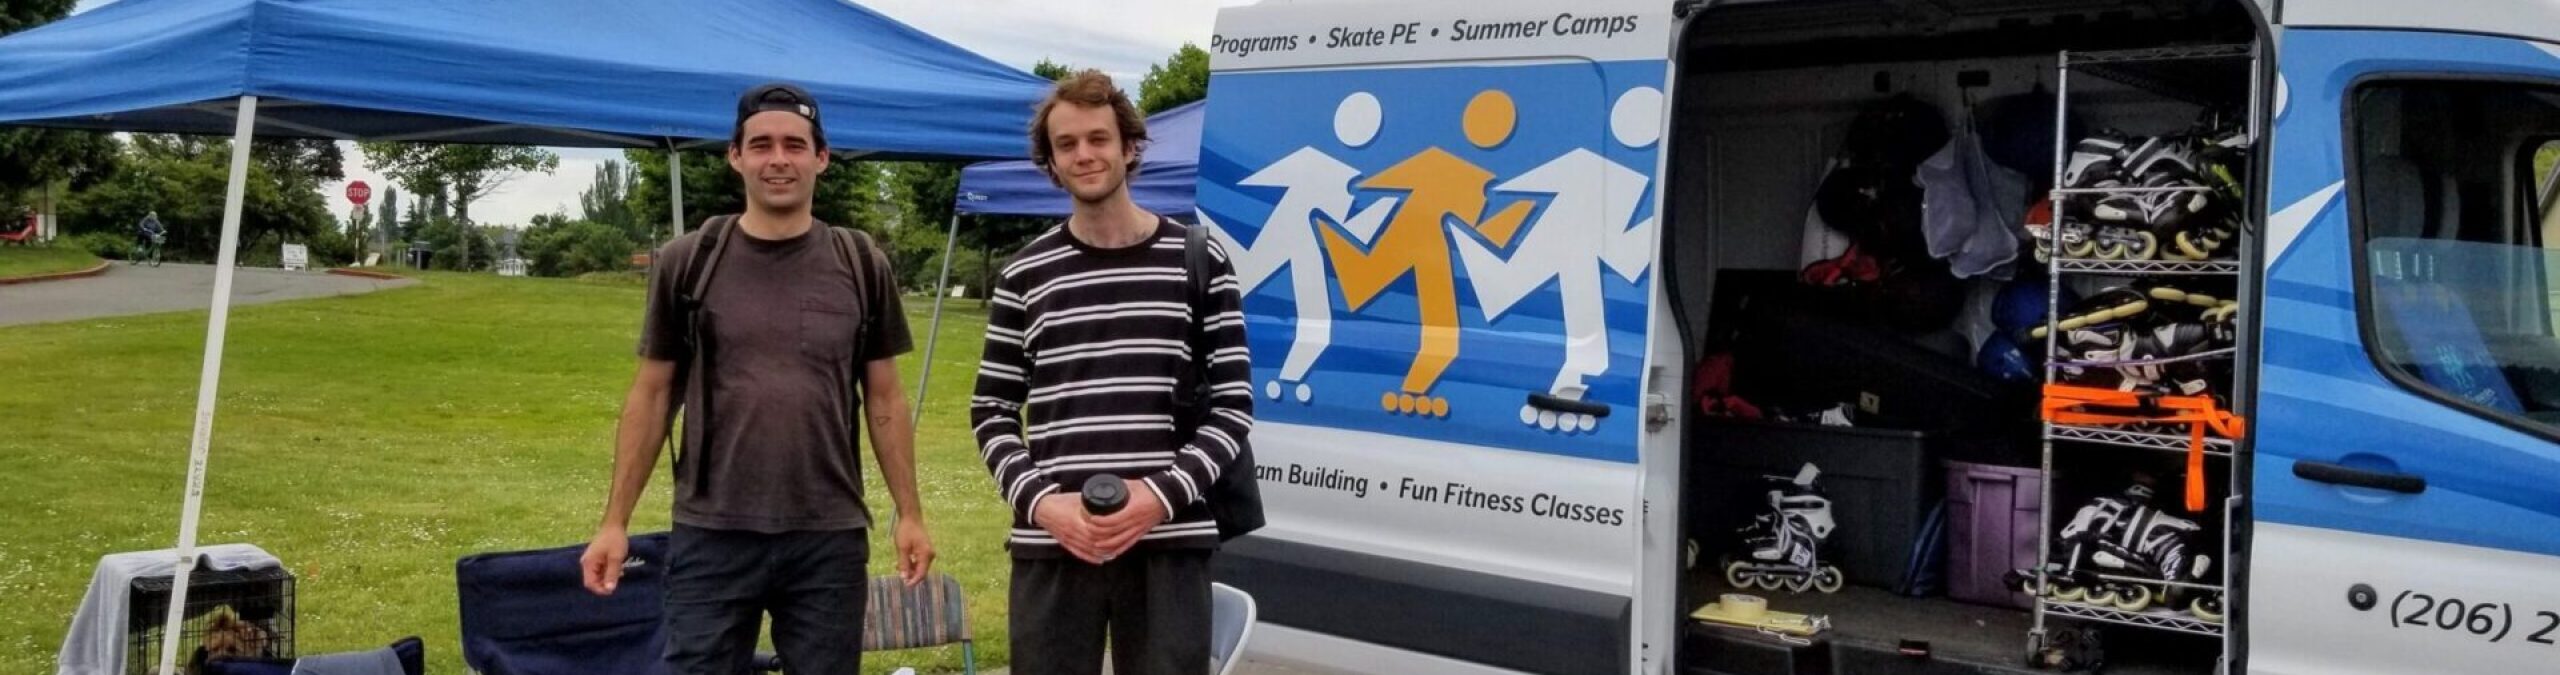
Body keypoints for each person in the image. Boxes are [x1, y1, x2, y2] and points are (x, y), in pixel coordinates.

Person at [580, 82, 934, 675]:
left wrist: (911, 514)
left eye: (795, 145)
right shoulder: (688, 261)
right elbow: (652, 394)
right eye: (762, 144)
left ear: (820, 158)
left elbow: (886, 398)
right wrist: (614, 522)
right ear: (735, 156)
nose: (778, 159)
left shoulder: (859, 261)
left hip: (829, 534)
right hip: (712, 531)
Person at [970, 70, 1254, 675]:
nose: (1084, 154)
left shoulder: (1198, 260)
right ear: (1050, 161)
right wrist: (1044, 504)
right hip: (1054, 542)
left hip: (1169, 543)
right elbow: (991, 412)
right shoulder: (1025, 275)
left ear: (1129, 146)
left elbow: (1232, 407)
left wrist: (1157, 497)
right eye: (1066, 144)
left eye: (1098, 138)